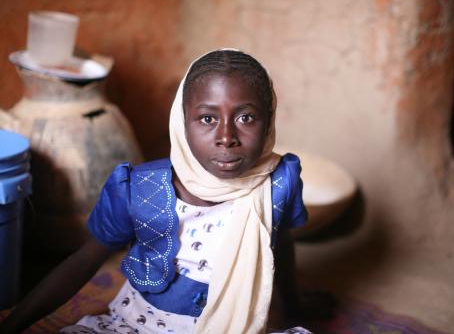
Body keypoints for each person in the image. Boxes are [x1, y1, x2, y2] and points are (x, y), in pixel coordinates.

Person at [0, 49, 314, 334]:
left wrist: (296, 305)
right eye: (207, 118)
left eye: (246, 117)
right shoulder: (141, 189)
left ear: (269, 120)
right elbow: (82, 263)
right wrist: (12, 325)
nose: (226, 136)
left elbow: (279, 242)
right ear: (182, 122)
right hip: (140, 326)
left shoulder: (277, 184)